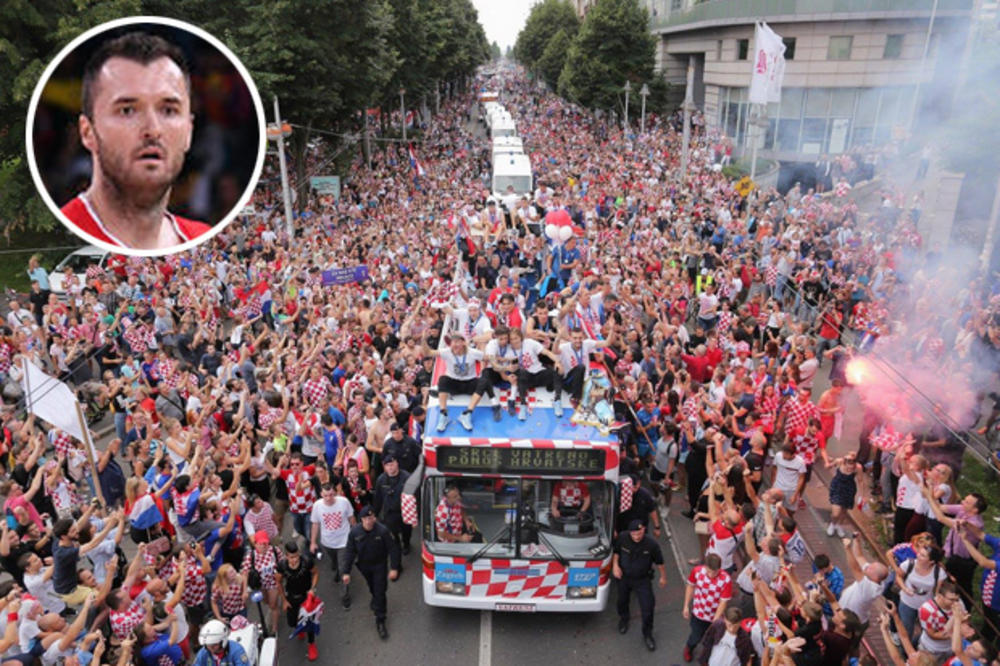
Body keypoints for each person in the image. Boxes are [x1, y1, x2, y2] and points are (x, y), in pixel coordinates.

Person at [61, 32, 211, 250]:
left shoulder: (203, 237)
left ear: (189, 131)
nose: (153, 129)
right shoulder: (69, 235)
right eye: (127, 110)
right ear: (87, 132)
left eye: (168, 110)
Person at [342, 506, 400, 640]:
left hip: (379, 565)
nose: (370, 521)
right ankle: (376, 598)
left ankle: (380, 620)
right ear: (361, 519)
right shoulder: (354, 533)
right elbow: (350, 552)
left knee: (380, 591)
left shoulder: (383, 531)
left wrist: (394, 568)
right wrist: (346, 572)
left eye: (372, 517)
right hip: (364, 566)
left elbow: (393, 549)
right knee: (373, 588)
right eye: (367, 518)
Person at [612, 519, 666, 652]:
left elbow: (660, 561)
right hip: (624, 577)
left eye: (639, 533)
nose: (636, 537)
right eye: (634, 534)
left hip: (642, 580)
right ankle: (624, 619)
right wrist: (615, 565)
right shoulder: (623, 537)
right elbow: (617, 552)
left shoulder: (651, 544)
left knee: (648, 607)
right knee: (622, 601)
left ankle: (647, 634)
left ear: (643, 530)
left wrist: (663, 577)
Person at [309, 480, 355, 609]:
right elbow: (315, 524)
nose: (329, 498)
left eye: (331, 495)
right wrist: (313, 542)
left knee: (343, 569)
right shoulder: (317, 506)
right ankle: (336, 569)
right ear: (321, 494)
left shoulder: (344, 502)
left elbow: (351, 518)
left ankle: (345, 596)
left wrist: (356, 534)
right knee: (335, 563)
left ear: (334, 493)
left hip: (343, 542)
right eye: (325, 496)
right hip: (327, 543)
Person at [683, 553, 733, 662]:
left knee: (712, 640)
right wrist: (686, 605)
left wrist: (715, 619)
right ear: (705, 566)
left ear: (719, 569)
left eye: (714, 572)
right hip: (698, 613)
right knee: (696, 636)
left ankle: (705, 659)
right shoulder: (697, 571)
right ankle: (689, 647)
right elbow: (690, 586)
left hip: (714, 616)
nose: (711, 574)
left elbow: (723, 602)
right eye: (708, 571)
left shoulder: (726, 580)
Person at [275, 540, 319, 661]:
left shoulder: (307, 561)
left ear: (299, 554)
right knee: (292, 622)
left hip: (306, 596)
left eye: (295, 556)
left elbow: (315, 573)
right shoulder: (282, 566)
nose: (294, 560)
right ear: (286, 556)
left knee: (309, 622)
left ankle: (311, 644)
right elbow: (278, 582)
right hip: (291, 597)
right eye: (291, 557)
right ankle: (300, 628)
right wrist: (284, 600)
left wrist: (312, 589)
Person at [372, 454, 412, 558]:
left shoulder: (406, 477)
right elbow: (378, 499)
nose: (390, 467)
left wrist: (415, 515)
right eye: (387, 465)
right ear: (384, 467)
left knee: (406, 531)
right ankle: (397, 547)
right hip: (390, 512)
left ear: (397, 463)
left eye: (392, 464)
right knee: (393, 534)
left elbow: (414, 496)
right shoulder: (381, 480)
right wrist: (375, 514)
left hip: (405, 512)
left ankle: (406, 544)